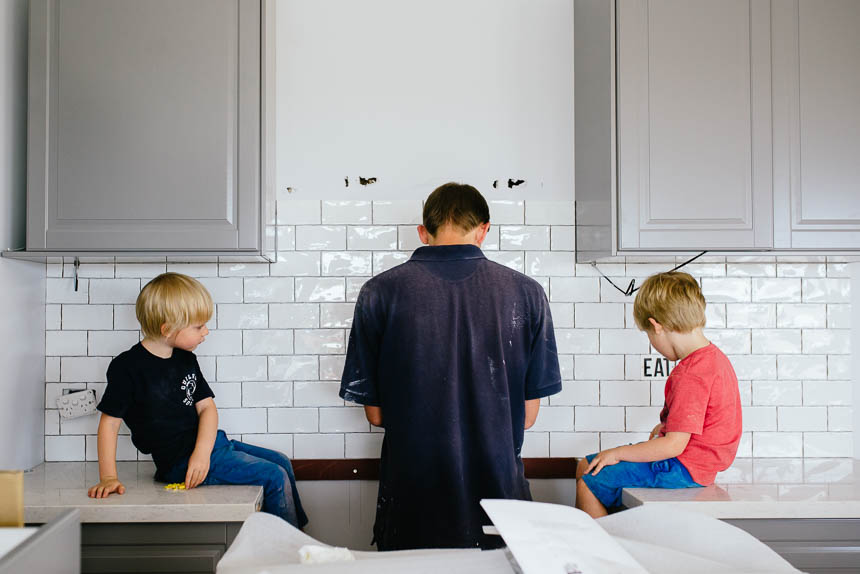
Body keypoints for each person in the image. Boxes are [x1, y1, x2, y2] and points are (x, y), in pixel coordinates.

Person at [339, 182, 562, 550]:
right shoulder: (527, 292)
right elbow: (527, 417)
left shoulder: (379, 292)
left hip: (413, 500)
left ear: (423, 232)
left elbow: (376, 416)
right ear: (484, 229)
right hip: (498, 501)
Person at [87, 273, 308, 528]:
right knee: (274, 475)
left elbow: (207, 408)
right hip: (180, 463)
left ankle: (297, 538)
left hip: (210, 448)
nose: (206, 331)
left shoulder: (186, 359)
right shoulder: (127, 367)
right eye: (198, 326)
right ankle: (289, 554)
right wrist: (108, 477)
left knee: (281, 461)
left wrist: (203, 452)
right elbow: (109, 424)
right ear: (167, 328)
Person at [575, 271, 742, 518]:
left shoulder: (690, 373)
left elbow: (674, 445)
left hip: (683, 468)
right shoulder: (714, 358)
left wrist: (618, 452)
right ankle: (616, 535)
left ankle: (603, 555)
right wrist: (666, 426)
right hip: (698, 465)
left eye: (649, 335)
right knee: (585, 465)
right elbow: (702, 421)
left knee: (589, 482)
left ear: (657, 326)